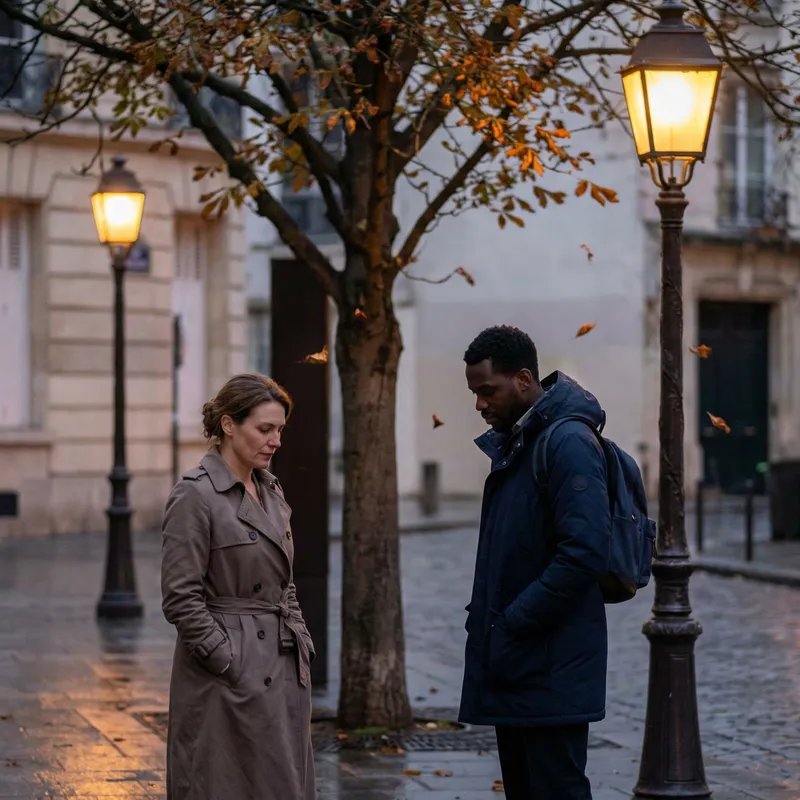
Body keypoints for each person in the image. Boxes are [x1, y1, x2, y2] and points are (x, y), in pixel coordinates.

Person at [459, 325, 611, 800]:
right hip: (520, 661)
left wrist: (513, 622)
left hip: (551, 663)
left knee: (556, 789)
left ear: (524, 379)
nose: (480, 404)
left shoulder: (567, 443)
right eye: (475, 393)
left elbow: (585, 552)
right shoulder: (519, 442)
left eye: (488, 391)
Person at [161, 373, 315, 800]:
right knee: (222, 783)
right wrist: (228, 659)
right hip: (225, 679)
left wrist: (299, 636)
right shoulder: (196, 495)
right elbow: (180, 597)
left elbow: (284, 583)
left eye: (279, 430)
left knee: (280, 783)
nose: (275, 441)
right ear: (229, 425)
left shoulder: (271, 490)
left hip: (281, 668)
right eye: (264, 429)